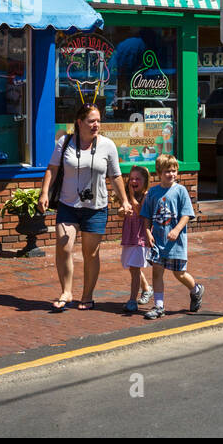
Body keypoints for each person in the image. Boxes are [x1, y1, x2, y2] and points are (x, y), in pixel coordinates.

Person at [40, 104, 129, 311]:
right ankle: (66, 291)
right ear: (79, 123)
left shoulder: (108, 145)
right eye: (91, 121)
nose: (96, 125)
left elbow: (115, 176)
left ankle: (87, 296)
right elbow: (52, 169)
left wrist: (124, 200)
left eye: (98, 120)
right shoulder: (65, 142)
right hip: (68, 204)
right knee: (64, 247)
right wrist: (44, 193)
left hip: (96, 207)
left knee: (91, 253)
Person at [140, 154, 203, 319]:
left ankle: (196, 290)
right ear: (159, 172)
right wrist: (147, 232)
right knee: (157, 273)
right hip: (158, 242)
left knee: (179, 273)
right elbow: (146, 215)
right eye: (167, 171)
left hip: (176, 243)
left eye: (174, 171)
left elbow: (187, 214)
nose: (171, 174)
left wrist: (176, 229)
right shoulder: (153, 192)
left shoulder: (180, 191)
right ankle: (159, 306)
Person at [121, 165, 154, 313]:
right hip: (130, 235)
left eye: (137, 179)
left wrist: (131, 195)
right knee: (131, 266)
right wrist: (122, 211)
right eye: (132, 178)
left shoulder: (147, 195)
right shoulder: (128, 196)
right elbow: (121, 212)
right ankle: (146, 288)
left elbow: (140, 210)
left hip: (141, 236)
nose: (134, 181)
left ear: (145, 181)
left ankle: (132, 300)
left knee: (134, 268)